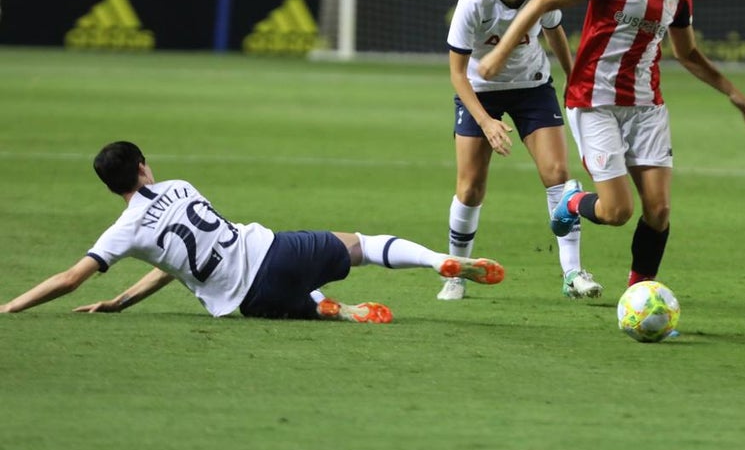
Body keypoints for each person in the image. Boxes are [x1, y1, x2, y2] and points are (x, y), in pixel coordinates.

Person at [477, 0, 745, 288]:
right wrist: (499, 54)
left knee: (659, 211)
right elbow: (544, 1)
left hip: (646, 108)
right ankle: (572, 202)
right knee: (616, 212)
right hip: (595, 102)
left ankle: (639, 294)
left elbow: (688, 53)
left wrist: (732, 92)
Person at [0, 142, 505, 321]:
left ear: (111, 187)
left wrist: (10, 307)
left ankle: (326, 309)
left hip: (247, 301)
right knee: (363, 246)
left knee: (291, 300)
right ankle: (437, 261)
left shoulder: (123, 232)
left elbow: (73, 279)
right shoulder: (180, 186)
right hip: (273, 251)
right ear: (142, 167)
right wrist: (123, 300)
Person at [440, 0, 602, 302]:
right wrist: (486, 122)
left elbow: (556, 33)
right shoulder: (473, 1)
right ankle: (456, 273)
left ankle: (573, 273)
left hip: (532, 89)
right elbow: (457, 74)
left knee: (558, 176)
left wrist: (574, 78)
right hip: (480, 93)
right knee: (470, 188)